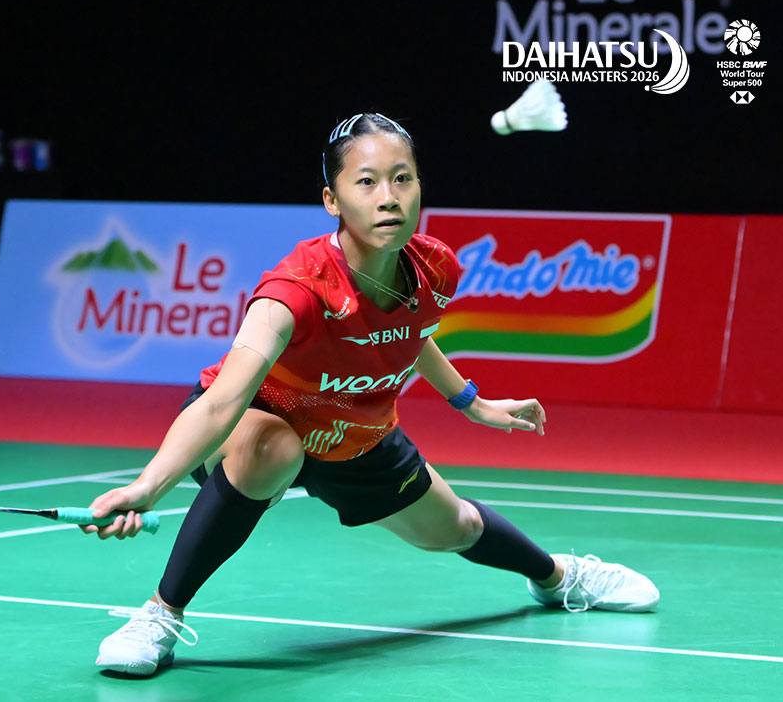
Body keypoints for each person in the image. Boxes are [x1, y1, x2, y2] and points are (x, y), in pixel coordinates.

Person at [80, 113, 660, 676]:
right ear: (331, 200)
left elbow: (410, 335)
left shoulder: (435, 267)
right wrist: (147, 488)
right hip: (262, 418)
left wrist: (473, 403)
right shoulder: (295, 291)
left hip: (355, 431)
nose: (389, 198)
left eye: (402, 178)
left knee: (457, 527)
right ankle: (160, 613)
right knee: (270, 449)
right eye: (366, 182)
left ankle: (558, 577)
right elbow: (222, 402)